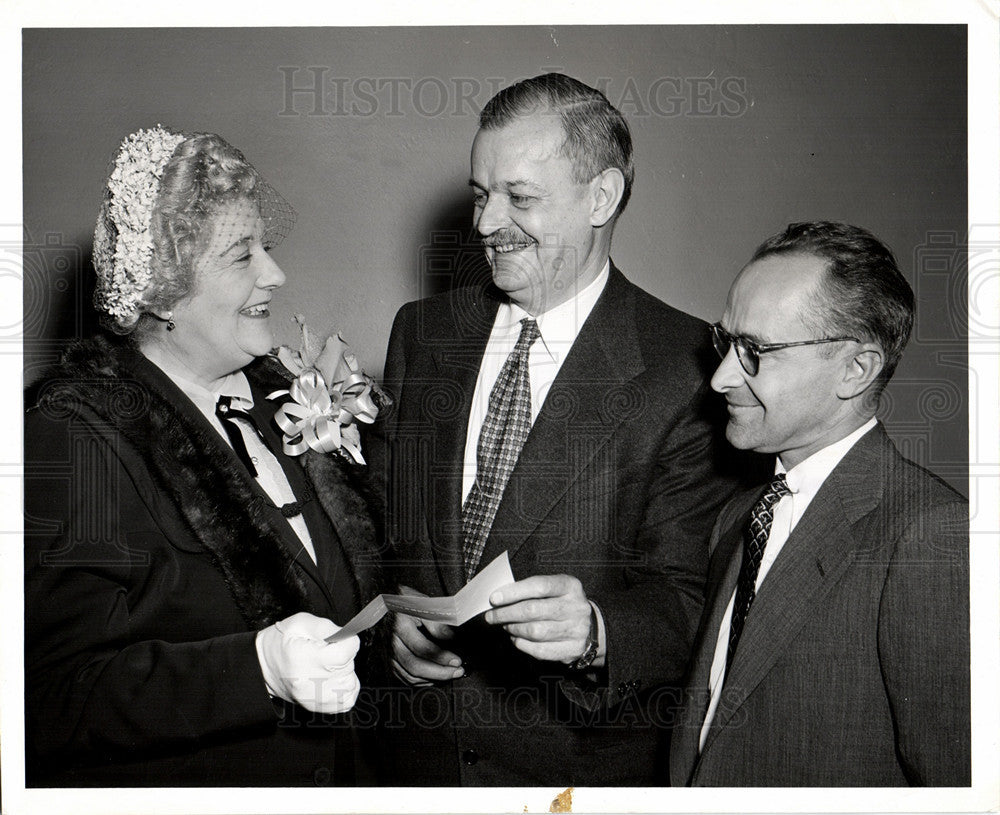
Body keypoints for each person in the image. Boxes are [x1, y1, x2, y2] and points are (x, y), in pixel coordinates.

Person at [372, 73, 750, 785]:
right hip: (411, 767)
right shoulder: (422, 334)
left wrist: (600, 632)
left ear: (601, 197)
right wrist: (388, 629)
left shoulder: (691, 367)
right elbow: (382, 531)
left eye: (520, 197)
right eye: (482, 195)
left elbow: (688, 599)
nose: (485, 224)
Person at [24, 126, 383, 786]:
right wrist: (256, 669)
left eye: (265, 247)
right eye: (242, 256)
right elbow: (51, 701)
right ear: (163, 292)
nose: (276, 273)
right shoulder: (76, 434)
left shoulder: (288, 394)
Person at [669, 221, 970, 786]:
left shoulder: (931, 534)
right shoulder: (740, 515)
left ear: (856, 370)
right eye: (725, 341)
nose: (720, 377)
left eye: (755, 351)